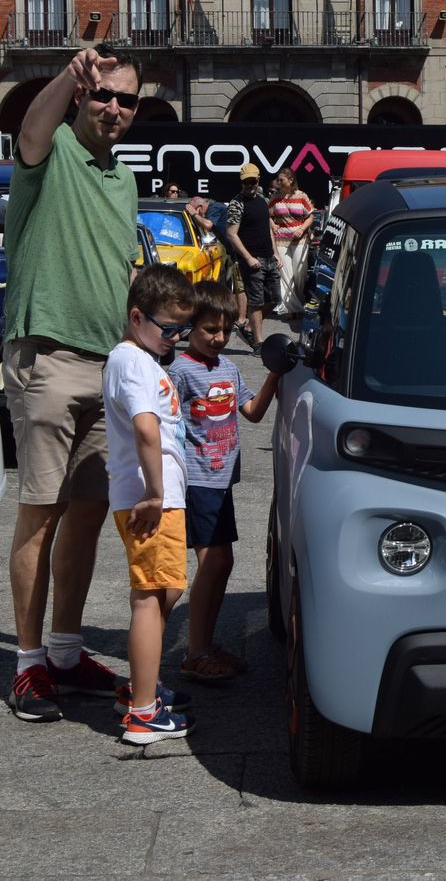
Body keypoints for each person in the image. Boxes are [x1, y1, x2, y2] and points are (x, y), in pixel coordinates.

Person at [2, 43, 143, 722]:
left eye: (126, 99)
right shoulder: (51, 153)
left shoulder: (123, 178)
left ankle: (63, 649)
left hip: (107, 365)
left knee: (86, 514)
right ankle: (27, 665)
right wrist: (68, 76)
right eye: (102, 94)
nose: (112, 107)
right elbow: (30, 131)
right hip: (49, 359)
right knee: (39, 514)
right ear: (84, 98)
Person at [104, 263, 197, 744]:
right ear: (137, 317)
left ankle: (141, 688)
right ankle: (143, 712)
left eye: (183, 329)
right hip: (151, 500)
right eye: (168, 328)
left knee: (164, 590)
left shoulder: (138, 360)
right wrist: (156, 494)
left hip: (156, 497)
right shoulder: (135, 363)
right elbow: (146, 427)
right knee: (150, 596)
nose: (176, 338)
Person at [169, 281, 278, 682]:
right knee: (213, 562)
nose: (218, 338)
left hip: (221, 480)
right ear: (188, 329)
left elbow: (252, 411)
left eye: (225, 330)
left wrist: (275, 378)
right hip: (197, 480)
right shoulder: (180, 371)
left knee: (222, 563)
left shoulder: (228, 369)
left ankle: (205, 644)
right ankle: (195, 652)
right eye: (209, 330)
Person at [223, 164, 278, 350]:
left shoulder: (262, 200)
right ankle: (259, 342)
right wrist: (247, 258)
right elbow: (231, 234)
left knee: (274, 299)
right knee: (256, 301)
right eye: (246, 182)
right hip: (253, 259)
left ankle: (248, 327)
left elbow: (268, 228)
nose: (249, 185)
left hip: (269, 257)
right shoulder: (236, 204)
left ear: (258, 179)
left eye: (252, 181)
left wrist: (276, 253)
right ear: (241, 182)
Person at [269, 170, 315, 318]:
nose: (279, 182)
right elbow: (268, 215)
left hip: (299, 240)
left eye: (281, 180)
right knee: (285, 275)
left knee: (299, 274)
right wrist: (273, 224)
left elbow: (310, 217)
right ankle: (290, 309)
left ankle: (298, 302)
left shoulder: (302, 196)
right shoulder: (275, 198)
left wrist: (302, 229)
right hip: (281, 240)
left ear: (290, 180)